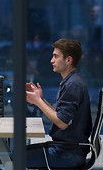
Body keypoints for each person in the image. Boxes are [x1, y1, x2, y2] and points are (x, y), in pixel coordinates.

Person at [25, 38, 92, 169]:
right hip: (65, 150)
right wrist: (41, 99)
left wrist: (38, 101)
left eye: (56, 56)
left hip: (67, 154)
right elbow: (60, 115)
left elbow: (62, 122)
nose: (51, 60)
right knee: (16, 154)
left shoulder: (73, 84)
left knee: (14, 158)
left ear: (68, 60)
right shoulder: (71, 81)